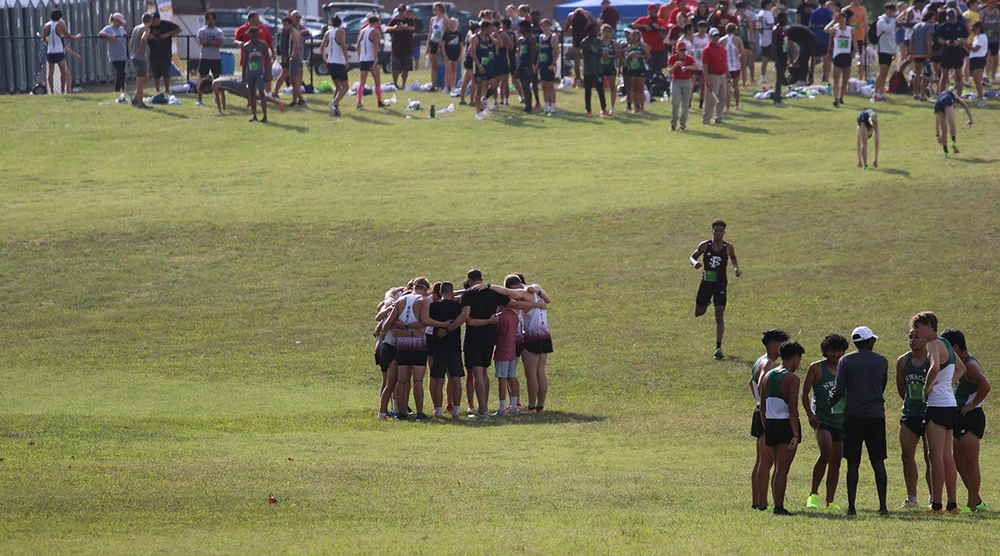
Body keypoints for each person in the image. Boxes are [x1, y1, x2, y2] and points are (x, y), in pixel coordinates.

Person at [829, 326, 889, 516]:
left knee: (852, 462)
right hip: (876, 416)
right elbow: (882, 386)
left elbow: (839, 390)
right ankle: (883, 506)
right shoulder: (882, 361)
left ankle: (851, 507)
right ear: (869, 341)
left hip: (853, 417)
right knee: (878, 462)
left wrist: (830, 402)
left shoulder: (846, 360)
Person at [910, 311, 967, 514]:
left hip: (937, 405)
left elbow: (934, 367)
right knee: (946, 456)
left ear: (927, 325)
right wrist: (947, 384)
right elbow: (961, 369)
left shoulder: (934, 344)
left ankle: (936, 504)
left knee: (935, 456)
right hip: (950, 404)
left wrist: (927, 390)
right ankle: (952, 504)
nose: (916, 333)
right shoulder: (947, 345)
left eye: (918, 328)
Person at [475, 276, 552, 413]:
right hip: (545, 335)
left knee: (531, 373)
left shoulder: (523, 293)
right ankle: (541, 405)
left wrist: (489, 286)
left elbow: (507, 293)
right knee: (541, 371)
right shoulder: (537, 288)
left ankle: (532, 406)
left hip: (532, 337)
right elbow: (548, 300)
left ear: (513, 286)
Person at [940, 328, 990, 513]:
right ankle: (976, 500)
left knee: (971, 462)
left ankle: (972, 504)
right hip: (959, 415)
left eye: (946, 348)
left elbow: (986, 385)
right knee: (958, 461)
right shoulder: (959, 363)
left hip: (971, 416)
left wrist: (971, 405)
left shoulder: (970, 364)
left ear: (955, 347)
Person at [801, 334, 848, 511]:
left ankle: (830, 500)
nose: (836, 354)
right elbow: (804, 393)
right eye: (832, 350)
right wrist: (809, 414)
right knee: (826, 453)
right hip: (822, 420)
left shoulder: (847, 367)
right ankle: (813, 494)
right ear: (825, 351)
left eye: (839, 351)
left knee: (836, 460)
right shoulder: (816, 368)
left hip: (841, 421)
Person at [759, 341, 805, 516]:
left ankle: (776, 503)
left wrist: (766, 426)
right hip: (786, 424)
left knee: (777, 466)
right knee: (782, 469)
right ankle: (778, 507)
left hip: (770, 423)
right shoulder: (792, 378)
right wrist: (795, 433)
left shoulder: (767, 376)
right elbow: (793, 409)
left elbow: (762, 407)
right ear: (795, 357)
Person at [459, 270, 510, 419]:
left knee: (477, 373)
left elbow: (469, 320)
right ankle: (484, 406)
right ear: (481, 279)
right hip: (490, 337)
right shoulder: (493, 292)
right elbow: (512, 300)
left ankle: (482, 410)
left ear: (469, 281)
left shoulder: (468, 294)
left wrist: (486, 321)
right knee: (484, 372)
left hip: (474, 337)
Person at [689, 220, 741, 359]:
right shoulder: (705, 245)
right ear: (712, 231)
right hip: (706, 283)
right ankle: (706, 303)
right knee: (698, 313)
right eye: (716, 230)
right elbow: (692, 256)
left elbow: (733, 257)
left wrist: (736, 268)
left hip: (721, 284)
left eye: (721, 231)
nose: (718, 233)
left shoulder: (728, 247)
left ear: (724, 232)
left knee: (719, 315)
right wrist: (695, 263)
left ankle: (718, 347)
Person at [751, 329, 789, 510]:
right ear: (773, 346)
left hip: (760, 410)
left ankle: (756, 500)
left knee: (760, 460)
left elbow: (750, 384)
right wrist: (765, 405)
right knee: (767, 461)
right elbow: (761, 387)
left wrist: (758, 402)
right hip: (767, 414)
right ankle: (763, 503)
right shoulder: (769, 365)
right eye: (783, 344)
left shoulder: (760, 360)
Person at [897, 327, 932, 509]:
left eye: (917, 337)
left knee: (931, 457)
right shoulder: (903, 361)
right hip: (910, 414)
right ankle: (911, 498)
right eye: (910, 337)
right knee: (906, 455)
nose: (913, 340)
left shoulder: (932, 359)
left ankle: (933, 497)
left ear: (926, 339)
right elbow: (901, 389)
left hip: (930, 414)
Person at [198, 75, 286, 114]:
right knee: (235, 92)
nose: (206, 90)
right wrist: (224, 109)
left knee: (257, 96)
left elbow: (218, 99)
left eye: (204, 89)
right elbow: (223, 97)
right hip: (237, 84)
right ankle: (249, 100)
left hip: (239, 85)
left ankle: (279, 103)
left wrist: (220, 112)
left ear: (206, 86)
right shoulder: (216, 82)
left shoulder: (214, 85)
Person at [42, 9, 82, 95]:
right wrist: (78, 36)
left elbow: (44, 39)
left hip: (50, 51)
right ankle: (63, 91)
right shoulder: (61, 25)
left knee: (50, 73)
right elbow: (71, 37)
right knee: (62, 72)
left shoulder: (46, 26)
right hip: (59, 51)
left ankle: (52, 92)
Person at [320, 16, 350, 116]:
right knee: (345, 87)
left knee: (338, 86)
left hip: (331, 62)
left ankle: (335, 108)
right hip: (339, 62)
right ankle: (334, 103)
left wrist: (326, 61)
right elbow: (343, 46)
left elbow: (322, 48)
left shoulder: (328, 33)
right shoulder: (341, 32)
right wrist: (346, 60)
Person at [357, 15, 387, 110]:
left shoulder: (363, 31)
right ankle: (379, 101)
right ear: (376, 22)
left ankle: (359, 102)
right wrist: (375, 60)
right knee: (377, 82)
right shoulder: (375, 32)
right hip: (371, 58)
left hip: (363, 59)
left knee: (362, 83)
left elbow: (358, 45)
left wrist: (360, 56)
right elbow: (375, 47)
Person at [869, 3, 898, 102]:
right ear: (885, 10)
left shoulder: (890, 21)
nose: (891, 12)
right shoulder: (881, 21)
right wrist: (894, 20)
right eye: (889, 10)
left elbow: (892, 37)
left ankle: (881, 94)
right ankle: (875, 93)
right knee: (881, 73)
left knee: (885, 73)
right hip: (882, 49)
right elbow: (888, 29)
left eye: (893, 10)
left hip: (889, 49)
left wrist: (894, 50)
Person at [194, 11, 224, 107]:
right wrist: (212, 43)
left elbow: (219, 43)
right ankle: (199, 99)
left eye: (212, 19)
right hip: (205, 58)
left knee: (217, 79)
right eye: (209, 19)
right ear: (206, 20)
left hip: (215, 58)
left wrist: (208, 43)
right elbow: (202, 42)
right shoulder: (202, 31)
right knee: (202, 79)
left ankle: (217, 98)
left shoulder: (219, 31)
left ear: (214, 20)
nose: (210, 21)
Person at [147, 11, 181, 93]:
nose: (153, 23)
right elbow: (139, 31)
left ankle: (167, 89)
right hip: (154, 53)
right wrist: (148, 35)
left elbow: (179, 29)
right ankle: (157, 89)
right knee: (156, 74)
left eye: (154, 21)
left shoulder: (166, 24)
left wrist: (168, 34)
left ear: (158, 20)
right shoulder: (148, 26)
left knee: (166, 73)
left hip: (165, 54)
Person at [936, 8, 968, 95]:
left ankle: (959, 96)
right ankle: (941, 95)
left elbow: (966, 40)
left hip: (957, 53)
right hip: (946, 53)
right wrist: (946, 42)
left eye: (953, 18)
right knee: (944, 75)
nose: (951, 20)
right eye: (950, 18)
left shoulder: (962, 26)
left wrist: (958, 41)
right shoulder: (944, 26)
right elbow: (939, 39)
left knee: (958, 76)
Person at [242, 27, 271, 123]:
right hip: (250, 73)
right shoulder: (247, 46)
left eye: (255, 35)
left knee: (262, 93)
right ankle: (254, 115)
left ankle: (265, 116)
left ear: (258, 35)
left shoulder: (262, 45)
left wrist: (267, 72)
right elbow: (245, 61)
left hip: (260, 73)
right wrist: (243, 76)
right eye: (252, 35)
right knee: (252, 94)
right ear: (249, 35)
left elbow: (268, 59)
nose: (254, 37)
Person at [827, 9, 856, 106]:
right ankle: (835, 98)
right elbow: (826, 30)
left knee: (845, 79)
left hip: (847, 55)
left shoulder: (850, 30)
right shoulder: (835, 29)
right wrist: (834, 21)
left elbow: (855, 43)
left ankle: (841, 97)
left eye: (843, 18)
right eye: (840, 18)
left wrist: (857, 53)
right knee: (836, 78)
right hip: (838, 55)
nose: (842, 20)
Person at [470, 20, 497, 120]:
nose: (491, 31)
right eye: (490, 29)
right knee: (479, 88)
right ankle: (478, 112)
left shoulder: (488, 38)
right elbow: (472, 52)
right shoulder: (475, 38)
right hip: (478, 66)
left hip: (488, 65)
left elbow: (499, 43)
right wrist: (479, 66)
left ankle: (484, 98)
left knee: (494, 84)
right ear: (485, 28)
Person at [273, 17, 303, 106]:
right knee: (293, 80)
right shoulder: (290, 32)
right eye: (283, 25)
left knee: (293, 80)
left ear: (290, 24)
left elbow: (297, 45)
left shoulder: (293, 32)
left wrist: (292, 56)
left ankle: (295, 101)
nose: (284, 27)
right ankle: (300, 99)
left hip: (295, 59)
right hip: (295, 58)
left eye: (286, 25)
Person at [933, 89, 972, 157]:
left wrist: (938, 135)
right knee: (951, 123)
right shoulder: (952, 95)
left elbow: (937, 121)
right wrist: (971, 119)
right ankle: (953, 141)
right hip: (946, 100)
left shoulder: (940, 96)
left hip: (937, 104)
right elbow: (965, 105)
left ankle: (946, 152)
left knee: (944, 130)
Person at [633, 4, 670, 74]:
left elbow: (666, 31)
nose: (655, 13)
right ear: (649, 12)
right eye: (653, 11)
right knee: (651, 68)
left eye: (656, 11)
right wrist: (643, 25)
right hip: (649, 49)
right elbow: (632, 25)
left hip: (660, 49)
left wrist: (659, 28)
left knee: (660, 69)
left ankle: (660, 81)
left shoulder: (659, 21)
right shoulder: (643, 20)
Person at [668, 41, 698, 130]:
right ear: (677, 50)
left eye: (684, 50)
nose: (683, 52)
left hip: (687, 81)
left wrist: (688, 67)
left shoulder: (689, 58)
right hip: (676, 81)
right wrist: (675, 66)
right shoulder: (672, 58)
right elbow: (669, 71)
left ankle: (683, 125)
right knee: (675, 103)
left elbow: (696, 66)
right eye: (681, 50)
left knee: (685, 105)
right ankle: (673, 124)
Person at [581, 23, 609, 116]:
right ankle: (588, 110)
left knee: (601, 89)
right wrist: (594, 72)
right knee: (588, 90)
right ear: (589, 31)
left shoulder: (598, 41)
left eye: (597, 30)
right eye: (595, 30)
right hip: (588, 71)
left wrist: (595, 53)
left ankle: (604, 108)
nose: (597, 32)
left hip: (599, 68)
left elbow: (600, 53)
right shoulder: (584, 42)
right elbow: (588, 55)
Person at [99, 13, 129, 97]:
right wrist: (111, 36)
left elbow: (125, 35)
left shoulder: (121, 29)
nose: (121, 24)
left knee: (122, 72)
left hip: (122, 54)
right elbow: (101, 34)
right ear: (115, 21)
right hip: (114, 54)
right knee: (119, 71)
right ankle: (117, 89)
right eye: (119, 22)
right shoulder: (109, 28)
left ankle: (122, 86)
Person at [702, 28, 729, 122]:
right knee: (711, 99)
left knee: (722, 98)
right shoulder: (707, 50)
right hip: (712, 75)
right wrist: (706, 78)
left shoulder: (721, 48)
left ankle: (718, 117)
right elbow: (705, 65)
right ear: (710, 37)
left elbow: (725, 62)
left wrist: (727, 74)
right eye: (714, 36)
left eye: (717, 36)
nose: (716, 38)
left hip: (722, 75)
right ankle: (706, 118)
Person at [388, 5, 417, 89]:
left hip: (407, 48)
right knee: (395, 67)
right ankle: (395, 83)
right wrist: (394, 28)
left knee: (405, 68)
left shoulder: (409, 20)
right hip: (396, 48)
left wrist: (404, 27)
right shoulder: (394, 20)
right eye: (400, 11)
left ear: (406, 12)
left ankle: (403, 84)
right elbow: (387, 28)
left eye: (403, 11)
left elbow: (412, 28)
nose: (401, 13)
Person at [911, 11, 935, 100]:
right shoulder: (929, 26)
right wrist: (929, 49)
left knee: (917, 74)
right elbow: (928, 37)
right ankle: (922, 95)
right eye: (933, 18)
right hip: (924, 52)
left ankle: (915, 94)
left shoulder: (916, 26)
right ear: (929, 19)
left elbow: (912, 38)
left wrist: (911, 49)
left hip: (917, 52)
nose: (934, 20)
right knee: (926, 75)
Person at [566, 8, 594, 84]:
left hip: (576, 39)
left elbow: (566, 28)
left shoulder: (571, 15)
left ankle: (578, 79)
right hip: (585, 38)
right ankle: (588, 78)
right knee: (587, 59)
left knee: (577, 61)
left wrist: (571, 29)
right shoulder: (587, 14)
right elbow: (595, 24)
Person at [538, 19, 560, 116]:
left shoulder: (553, 37)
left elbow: (557, 51)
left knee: (551, 87)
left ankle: (553, 109)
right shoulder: (541, 37)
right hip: (542, 65)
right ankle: (546, 109)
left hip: (550, 65)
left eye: (546, 26)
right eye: (543, 26)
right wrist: (536, 65)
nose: (545, 28)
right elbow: (540, 52)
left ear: (550, 26)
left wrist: (553, 64)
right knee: (544, 86)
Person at [129, 14, 151, 109]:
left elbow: (131, 43)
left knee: (146, 77)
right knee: (140, 80)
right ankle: (141, 103)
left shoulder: (136, 28)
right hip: (140, 57)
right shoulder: (146, 29)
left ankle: (135, 98)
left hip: (134, 56)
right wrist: (141, 48)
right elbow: (143, 38)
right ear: (150, 21)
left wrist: (133, 51)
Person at [515, 20, 537, 113]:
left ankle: (529, 106)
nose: (519, 29)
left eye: (520, 27)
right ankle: (527, 105)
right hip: (520, 65)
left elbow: (533, 53)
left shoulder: (531, 39)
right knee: (523, 86)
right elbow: (519, 53)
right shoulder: (520, 40)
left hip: (527, 65)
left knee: (527, 87)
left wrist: (530, 65)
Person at [810, 0, 834, 82]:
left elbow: (811, 24)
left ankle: (811, 75)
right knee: (825, 57)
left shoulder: (815, 12)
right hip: (826, 37)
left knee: (813, 57)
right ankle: (825, 76)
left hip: (816, 37)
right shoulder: (829, 12)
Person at [599, 24, 621, 114]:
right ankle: (603, 106)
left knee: (612, 86)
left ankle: (612, 106)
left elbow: (617, 55)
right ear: (601, 32)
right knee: (602, 87)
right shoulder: (598, 42)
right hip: (601, 67)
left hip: (611, 66)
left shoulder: (614, 43)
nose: (606, 33)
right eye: (605, 31)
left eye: (608, 31)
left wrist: (610, 56)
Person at [426, 3, 448, 90]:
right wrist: (428, 45)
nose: (434, 11)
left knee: (444, 64)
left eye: (435, 9)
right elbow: (430, 32)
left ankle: (445, 84)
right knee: (434, 65)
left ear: (440, 9)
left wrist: (441, 45)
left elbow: (445, 33)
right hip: (433, 42)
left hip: (441, 43)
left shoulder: (444, 19)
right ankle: (433, 85)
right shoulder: (432, 20)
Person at [725, 23, 745, 110]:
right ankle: (737, 105)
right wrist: (739, 57)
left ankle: (728, 107)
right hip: (736, 66)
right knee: (736, 85)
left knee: (727, 86)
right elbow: (743, 52)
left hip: (726, 66)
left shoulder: (722, 40)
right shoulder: (738, 40)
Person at [736, 2, 757, 86]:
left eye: (742, 8)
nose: (741, 10)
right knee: (738, 62)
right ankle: (738, 80)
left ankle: (744, 82)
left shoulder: (747, 18)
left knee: (744, 62)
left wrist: (752, 41)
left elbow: (751, 30)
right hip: (738, 41)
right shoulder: (736, 18)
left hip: (745, 41)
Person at [847, 0, 868, 80]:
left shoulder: (862, 10)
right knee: (847, 60)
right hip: (848, 38)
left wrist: (867, 37)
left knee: (860, 59)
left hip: (859, 38)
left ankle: (860, 79)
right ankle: (847, 79)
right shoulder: (846, 10)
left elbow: (865, 24)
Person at [692, 21, 712, 109]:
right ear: (698, 28)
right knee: (692, 84)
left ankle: (701, 103)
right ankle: (688, 103)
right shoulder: (694, 37)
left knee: (702, 85)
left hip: (704, 64)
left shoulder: (708, 38)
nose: (703, 29)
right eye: (701, 27)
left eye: (704, 27)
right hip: (695, 63)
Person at [772, 11, 790, 104]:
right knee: (779, 78)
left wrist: (789, 55)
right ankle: (777, 99)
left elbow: (787, 43)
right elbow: (774, 45)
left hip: (784, 54)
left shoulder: (785, 29)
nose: (786, 20)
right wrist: (776, 58)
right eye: (784, 18)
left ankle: (778, 96)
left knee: (782, 77)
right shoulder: (777, 30)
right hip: (779, 56)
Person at [495, 19, 514, 107]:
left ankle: (505, 100)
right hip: (495, 59)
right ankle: (497, 100)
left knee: (505, 81)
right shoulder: (491, 36)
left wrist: (505, 44)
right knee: (495, 81)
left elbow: (511, 46)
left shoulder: (504, 34)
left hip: (503, 58)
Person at [968, 21, 988, 105]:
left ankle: (981, 99)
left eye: (974, 29)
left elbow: (975, 49)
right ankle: (980, 97)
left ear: (979, 28)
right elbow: (971, 49)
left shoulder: (982, 37)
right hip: (973, 59)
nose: (973, 31)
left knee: (978, 80)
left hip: (979, 59)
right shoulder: (976, 37)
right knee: (976, 81)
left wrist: (966, 44)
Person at [758, 0, 777, 83]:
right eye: (770, 4)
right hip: (770, 39)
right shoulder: (768, 14)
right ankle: (779, 75)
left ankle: (763, 77)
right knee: (777, 57)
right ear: (767, 5)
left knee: (764, 60)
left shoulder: (760, 13)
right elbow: (771, 24)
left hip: (762, 38)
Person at [443, 18, 462, 93]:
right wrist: (445, 54)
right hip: (448, 54)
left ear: (456, 25)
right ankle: (446, 87)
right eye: (450, 24)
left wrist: (460, 56)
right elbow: (443, 45)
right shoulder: (446, 34)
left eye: (453, 24)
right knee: (448, 70)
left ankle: (452, 86)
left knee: (454, 70)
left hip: (456, 54)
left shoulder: (459, 34)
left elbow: (461, 46)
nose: (451, 25)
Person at [981, 0, 998, 82]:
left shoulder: (997, 12)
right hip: (985, 38)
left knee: (995, 58)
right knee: (987, 56)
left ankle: (993, 76)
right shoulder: (983, 13)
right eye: (993, 2)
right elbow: (980, 25)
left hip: (994, 38)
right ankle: (986, 74)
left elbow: (998, 25)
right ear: (989, 3)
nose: (995, 4)